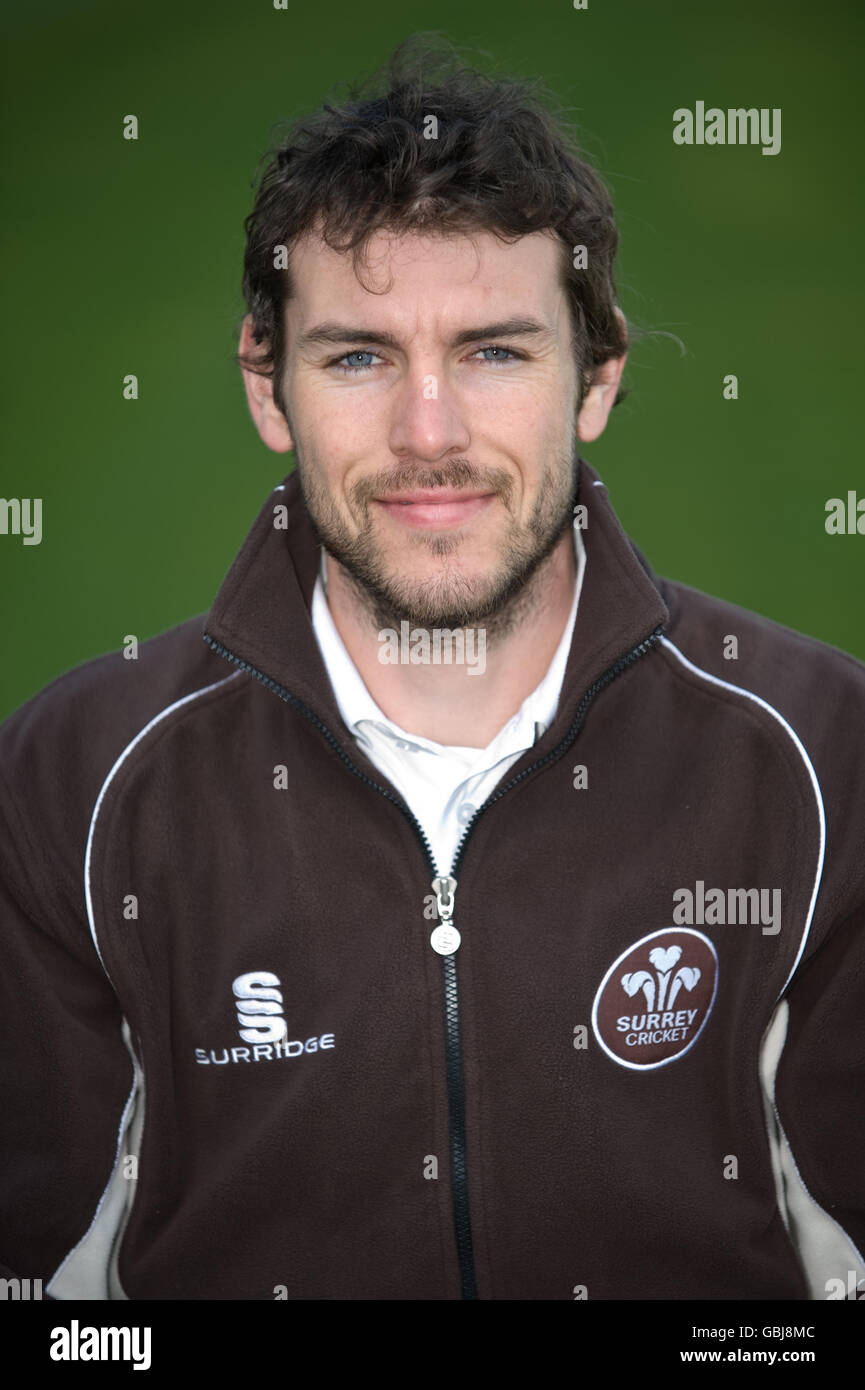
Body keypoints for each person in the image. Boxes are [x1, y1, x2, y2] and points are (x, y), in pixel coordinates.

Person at [1, 34, 863, 1303]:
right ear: (265, 384)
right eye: (357, 356)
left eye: (493, 352)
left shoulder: (821, 750)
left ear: (599, 375)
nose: (428, 432)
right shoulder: (72, 774)